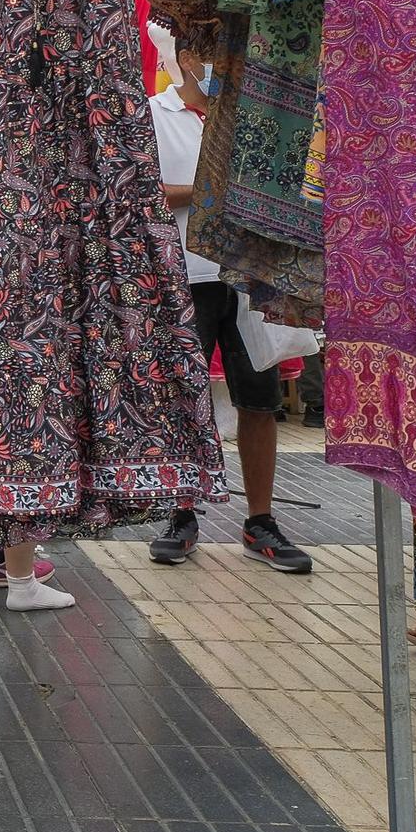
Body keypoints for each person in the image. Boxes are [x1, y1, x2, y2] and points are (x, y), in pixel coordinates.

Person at [147, 33, 313, 575]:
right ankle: (181, 512)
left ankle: (260, 519)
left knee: (259, 399)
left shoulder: (248, 116)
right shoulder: (155, 112)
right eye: (208, 57)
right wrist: (207, 190)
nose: (217, 67)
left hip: (247, 276)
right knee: (185, 399)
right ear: (187, 60)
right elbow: (138, 190)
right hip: (186, 274)